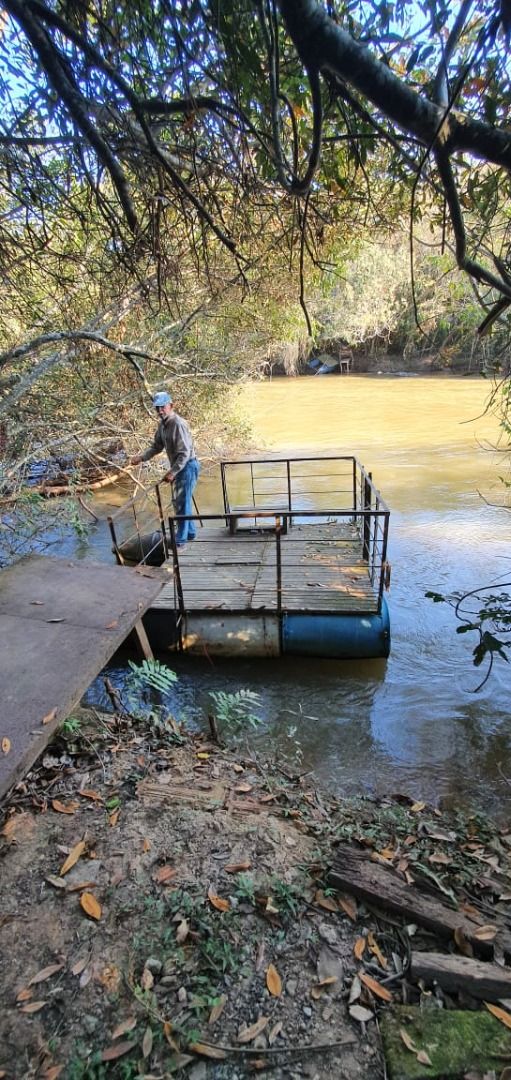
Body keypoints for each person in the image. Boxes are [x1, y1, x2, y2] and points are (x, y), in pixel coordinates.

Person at [130, 391, 200, 547]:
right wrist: (141, 458)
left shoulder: (178, 424)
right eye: (157, 408)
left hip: (188, 466)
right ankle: (190, 533)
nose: (160, 411)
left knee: (181, 502)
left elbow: (184, 453)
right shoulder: (163, 424)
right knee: (182, 502)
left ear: (171, 406)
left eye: (163, 407)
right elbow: (157, 446)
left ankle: (181, 541)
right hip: (181, 467)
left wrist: (172, 472)